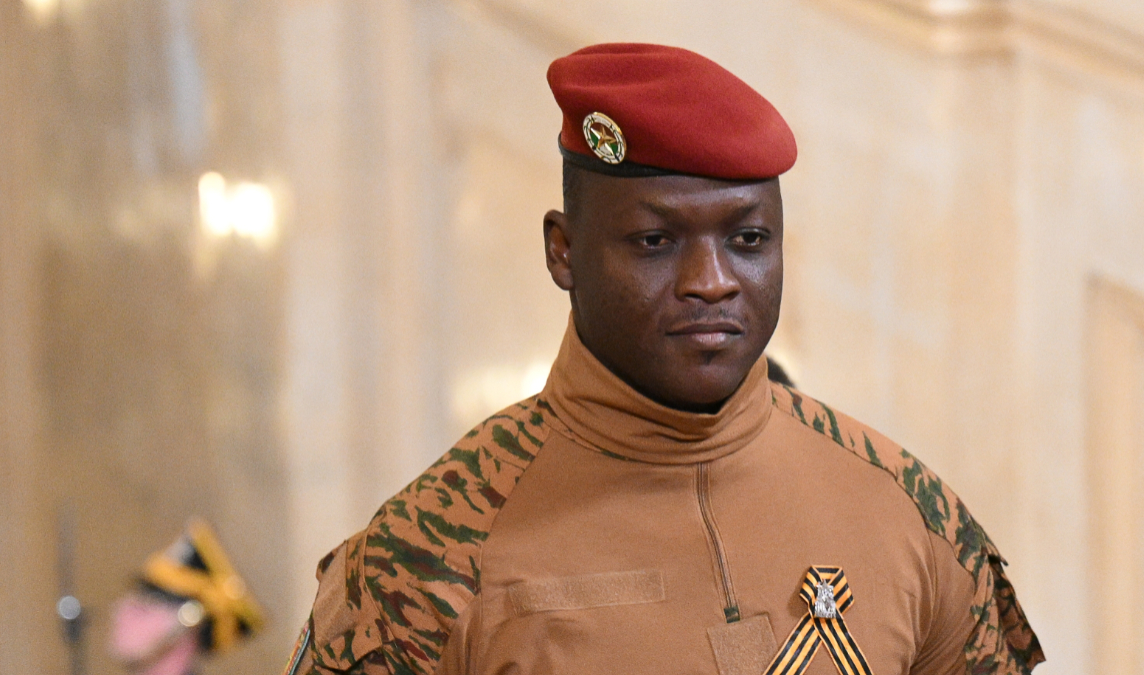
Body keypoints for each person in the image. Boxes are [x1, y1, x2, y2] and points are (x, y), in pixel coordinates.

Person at [283, 43, 1044, 675]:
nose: (711, 282)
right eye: (656, 242)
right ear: (563, 249)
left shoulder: (910, 514)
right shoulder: (423, 560)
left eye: (748, 240)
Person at [110, 518, 264, 675]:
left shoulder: (184, 607)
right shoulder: (134, 607)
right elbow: (135, 656)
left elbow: (209, 642)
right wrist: (182, 624)